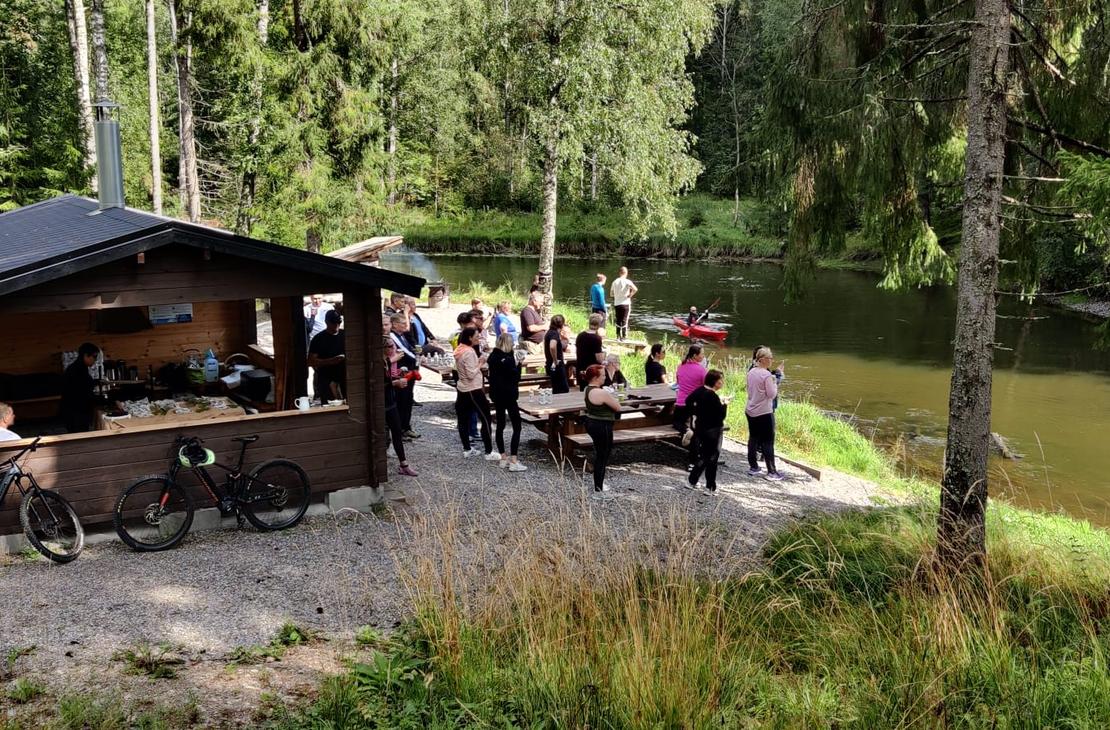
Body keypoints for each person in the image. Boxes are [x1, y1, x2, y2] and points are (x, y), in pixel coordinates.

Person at [453, 327, 498, 460]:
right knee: (485, 418)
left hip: (462, 388)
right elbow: (471, 373)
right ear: (470, 338)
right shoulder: (469, 352)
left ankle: (467, 449)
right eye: (476, 337)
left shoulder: (459, 349)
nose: (478, 338)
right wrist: (481, 363)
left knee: (463, 420)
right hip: (473, 389)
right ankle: (489, 451)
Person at [487, 333, 527, 472]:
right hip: (509, 395)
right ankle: (514, 459)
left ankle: (503, 457)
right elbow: (516, 377)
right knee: (517, 426)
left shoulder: (492, 357)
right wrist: (520, 364)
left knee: (500, 425)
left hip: (497, 395)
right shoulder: (509, 360)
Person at [686, 369, 729, 493]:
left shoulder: (700, 391)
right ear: (715, 382)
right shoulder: (713, 396)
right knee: (712, 458)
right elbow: (721, 416)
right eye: (721, 380)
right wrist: (725, 404)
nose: (722, 382)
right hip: (713, 430)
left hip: (700, 427)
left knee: (704, 456)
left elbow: (688, 401)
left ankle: (692, 481)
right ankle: (710, 487)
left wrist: (694, 414)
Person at [583, 364, 621, 496]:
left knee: (600, 453)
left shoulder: (587, 389)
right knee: (602, 456)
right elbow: (617, 407)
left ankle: (599, 483)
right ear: (595, 377)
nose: (605, 378)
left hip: (591, 422)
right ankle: (598, 489)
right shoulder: (601, 392)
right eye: (603, 375)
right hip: (602, 425)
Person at [746, 346, 783, 481]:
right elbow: (772, 394)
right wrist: (776, 381)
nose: (772, 360)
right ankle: (772, 472)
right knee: (768, 441)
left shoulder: (751, 371)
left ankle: (753, 467)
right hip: (764, 412)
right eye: (770, 358)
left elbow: (750, 390)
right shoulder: (767, 375)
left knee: (753, 438)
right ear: (762, 359)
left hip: (751, 409)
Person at [383, 340, 418, 477]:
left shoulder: (387, 362)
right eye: (390, 346)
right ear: (383, 348)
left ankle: (404, 464)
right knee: (382, 435)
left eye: (394, 345)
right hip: (381, 404)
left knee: (397, 431)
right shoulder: (380, 363)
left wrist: (399, 376)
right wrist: (395, 383)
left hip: (390, 401)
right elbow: (377, 384)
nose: (394, 349)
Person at [60, 342, 103, 433]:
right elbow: (83, 389)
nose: (95, 360)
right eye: (94, 357)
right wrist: (102, 400)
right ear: (86, 355)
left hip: (76, 410)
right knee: (79, 434)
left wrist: (97, 382)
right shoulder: (77, 370)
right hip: (75, 412)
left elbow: (87, 383)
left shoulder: (80, 367)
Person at [389, 313, 420, 439]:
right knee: (401, 402)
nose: (405, 326)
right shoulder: (392, 337)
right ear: (394, 324)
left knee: (408, 401)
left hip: (410, 372)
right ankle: (400, 430)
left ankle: (406, 427)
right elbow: (405, 353)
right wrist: (415, 358)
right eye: (402, 323)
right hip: (400, 373)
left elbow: (413, 347)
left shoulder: (404, 335)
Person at [308, 310, 346, 401]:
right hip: (326, 380)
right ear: (326, 322)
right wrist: (330, 361)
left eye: (338, 322)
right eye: (333, 322)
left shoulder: (345, 335)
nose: (336, 325)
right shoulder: (318, 339)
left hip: (345, 379)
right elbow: (310, 361)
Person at [673, 345, 707, 434]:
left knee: (677, 423)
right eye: (702, 354)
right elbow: (706, 386)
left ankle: (686, 431)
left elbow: (678, 382)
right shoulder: (702, 370)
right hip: (695, 405)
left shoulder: (680, 366)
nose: (703, 356)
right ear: (695, 355)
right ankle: (690, 433)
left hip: (681, 402)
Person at [574, 313, 606, 389]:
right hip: (592, 369)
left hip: (581, 366)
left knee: (583, 389)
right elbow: (599, 359)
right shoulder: (596, 338)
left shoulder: (580, 335)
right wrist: (604, 354)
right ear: (599, 325)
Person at [610, 266, 638, 341]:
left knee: (618, 319)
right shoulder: (627, 281)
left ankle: (618, 336)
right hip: (626, 303)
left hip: (617, 303)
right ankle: (624, 337)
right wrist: (630, 295)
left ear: (619, 273)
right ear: (626, 273)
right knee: (625, 320)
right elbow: (635, 289)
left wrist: (617, 295)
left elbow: (611, 294)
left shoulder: (615, 282)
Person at [544, 315, 570, 394]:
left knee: (557, 388)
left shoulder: (549, 332)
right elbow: (552, 346)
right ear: (562, 324)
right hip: (556, 365)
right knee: (563, 389)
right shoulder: (554, 334)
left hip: (551, 364)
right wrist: (555, 360)